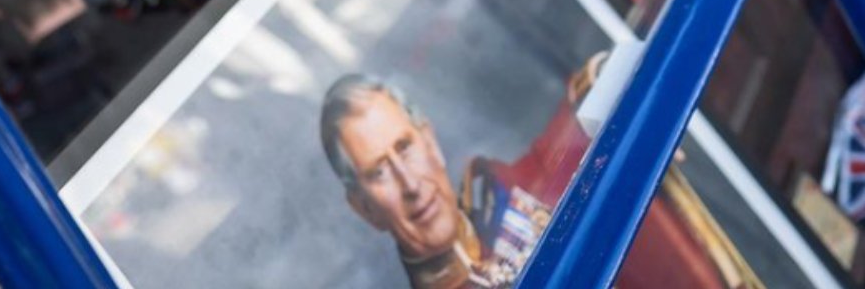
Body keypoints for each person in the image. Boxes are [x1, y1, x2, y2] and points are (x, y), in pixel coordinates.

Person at [320, 71, 759, 289]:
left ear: (430, 142)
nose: (410, 183)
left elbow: (584, 103)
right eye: (378, 172)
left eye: (405, 148)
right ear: (363, 208)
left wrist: (625, 93)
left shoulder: (499, 189)